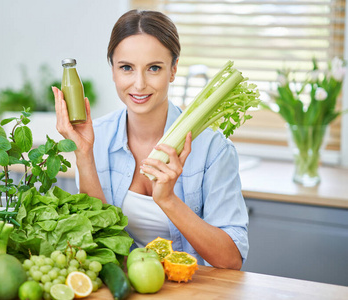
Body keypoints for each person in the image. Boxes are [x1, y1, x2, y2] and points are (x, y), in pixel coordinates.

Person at [52, 9, 248, 270]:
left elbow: (231, 259)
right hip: (125, 285)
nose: (139, 84)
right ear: (113, 70)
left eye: (154, 68)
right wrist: (84, 155)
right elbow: (99, 242)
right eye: (126, 68)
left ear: (173, 70)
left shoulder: (213, 149)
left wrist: (168, 200)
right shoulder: (95, 138)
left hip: (191, 289)